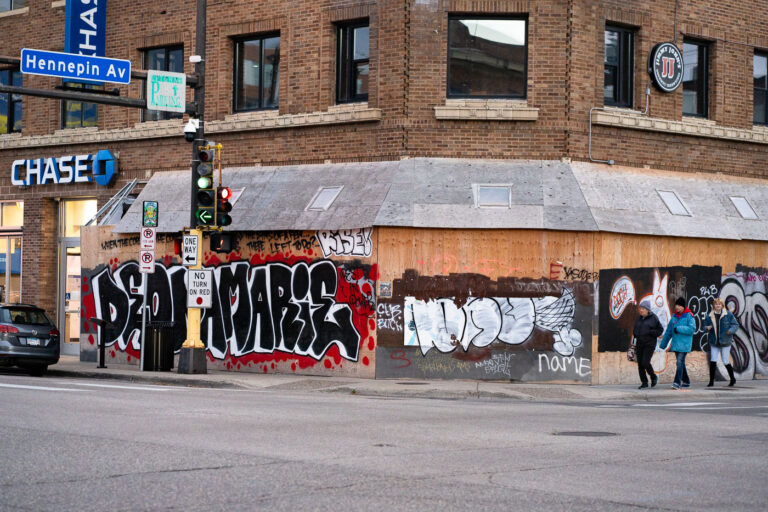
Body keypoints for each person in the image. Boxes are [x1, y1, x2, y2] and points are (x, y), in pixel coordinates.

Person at [659, 297, 696, 390]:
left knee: (679, 362)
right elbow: (669, 331)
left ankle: (677, 382)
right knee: (681, 363)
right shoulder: (674, 317)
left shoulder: (689, 316)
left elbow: (691, 329)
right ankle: (686, 381)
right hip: (676, 344)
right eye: (676, 305)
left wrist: (678, 328)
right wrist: (663, 344)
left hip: (684, 344)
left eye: (679, 305)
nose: (677, 307)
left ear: (683, 306)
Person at [704, 298, 739, 387]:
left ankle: (732, 379)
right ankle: (711, 381)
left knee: (725, 360)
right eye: (716, 304)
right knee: (713, 360)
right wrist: (707, 328)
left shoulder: (728, 314)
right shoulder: (709, 316)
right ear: (713, 306)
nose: (718, 306)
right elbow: (704, 326)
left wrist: (730, 331)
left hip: (725, 341)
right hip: (714, 341)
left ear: (722, 305)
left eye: (719, 304)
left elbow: (735, 325)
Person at [632, 298, 664, 389]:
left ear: (647, 309)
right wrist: (635, 334)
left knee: (645, 362)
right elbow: (636, 328)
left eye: (643, 308)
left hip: (649, 344)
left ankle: (653, 377)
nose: (641, 310)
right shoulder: (639, 318)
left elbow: (660, 330)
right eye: (640, 308)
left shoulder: (654, 318)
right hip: (640, 344)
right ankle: (644, 382)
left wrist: (652, 332)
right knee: (640, 364)